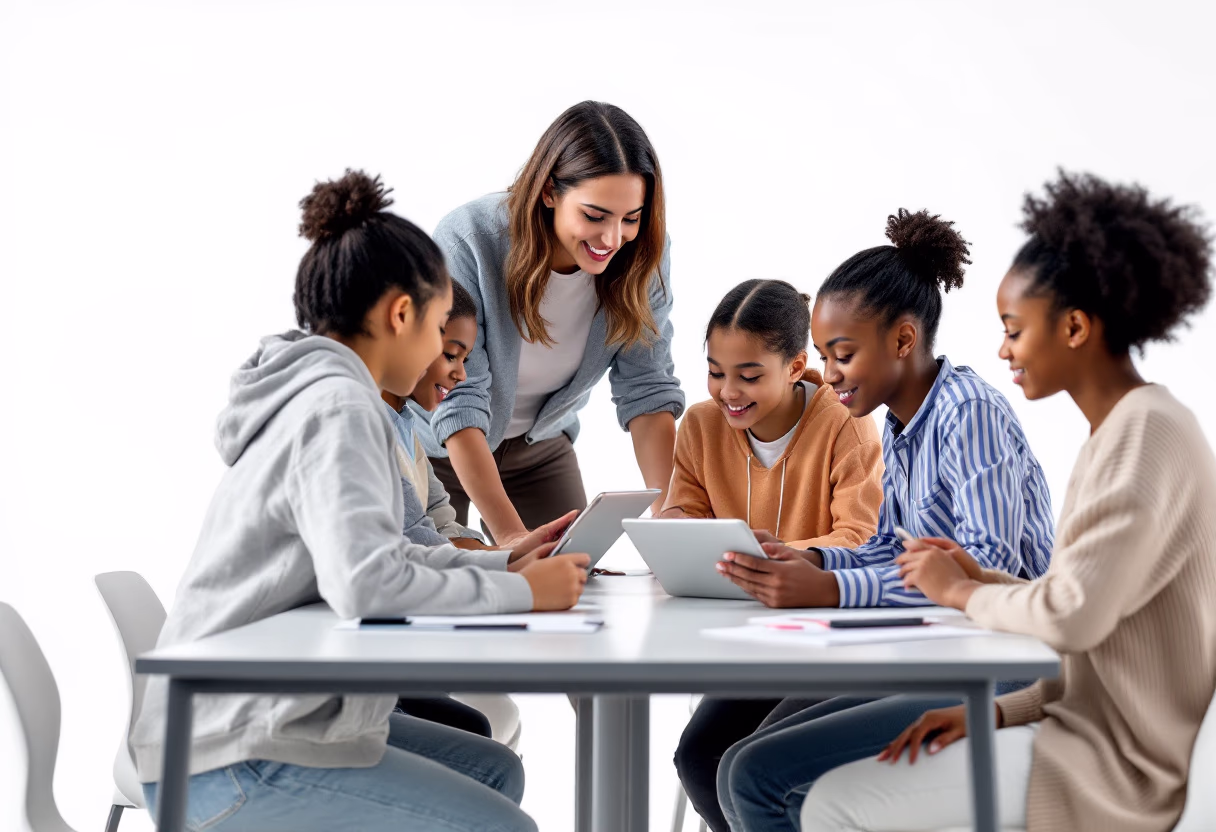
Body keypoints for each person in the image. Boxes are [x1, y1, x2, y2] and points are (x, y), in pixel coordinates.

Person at [129, 170, 591, 832]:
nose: (441, 353)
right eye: (438, 329)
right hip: (227, 753)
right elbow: (367, 585)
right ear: (400, 315)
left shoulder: (328, 397)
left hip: (260, 723)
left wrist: (505, 570)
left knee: (494, 769)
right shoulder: (339, 406)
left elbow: (388, 554)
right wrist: (525, 595)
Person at [799, 171, 1216, 832]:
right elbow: (1096, 645)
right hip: (1071, 722)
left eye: (1015, 330)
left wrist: (960, 591)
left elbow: (1072, 620)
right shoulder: (1124, 431)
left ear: (1074, 327)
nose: (1002, 350)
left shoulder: (1147, 435)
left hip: (1113, 766)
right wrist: (998, 711)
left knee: (828, 800)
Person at [678, 208, 1054, 832]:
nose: (828, 375)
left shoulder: (969, 414)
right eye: (824, 355)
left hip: (998, 659)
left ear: (903, 341)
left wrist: (831, 587)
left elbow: (987, 571)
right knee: (723, 758)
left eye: (842, 355)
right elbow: (886, 546)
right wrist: (816, 560)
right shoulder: (904, 424)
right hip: (928, 647)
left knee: (752, 774)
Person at [420, 100, 685, 545]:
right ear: (548, 192)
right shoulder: (469, 239)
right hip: (439, 449)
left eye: (631, 218)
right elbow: (458, 397)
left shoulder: (643, 260)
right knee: (445, 578)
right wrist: (508, 535)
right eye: (594, 216)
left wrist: (673, 513)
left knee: (573, 571)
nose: (612, 239)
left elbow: (648, 388)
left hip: (537, 448)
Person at [385, 279, 558, 737]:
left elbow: (441, 523)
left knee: (495, 721)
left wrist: (520, 551)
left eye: (465, 358)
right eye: (451, 354)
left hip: (380, 656)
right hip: (354, 671)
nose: (460, 374)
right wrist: (517, 575)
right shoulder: (364, 426)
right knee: (489, 733)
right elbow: (417, 542)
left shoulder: (402, 422)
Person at [662, 278, 883, 549]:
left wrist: (765, 561)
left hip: (808, 590)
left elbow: (860, 538)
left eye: (749, 377)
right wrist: (673, 529)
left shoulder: (846, 423)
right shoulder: (700, 425)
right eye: (716, 373)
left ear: (795, 368)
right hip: (717, 591)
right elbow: (686, 525)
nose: (728, 392)